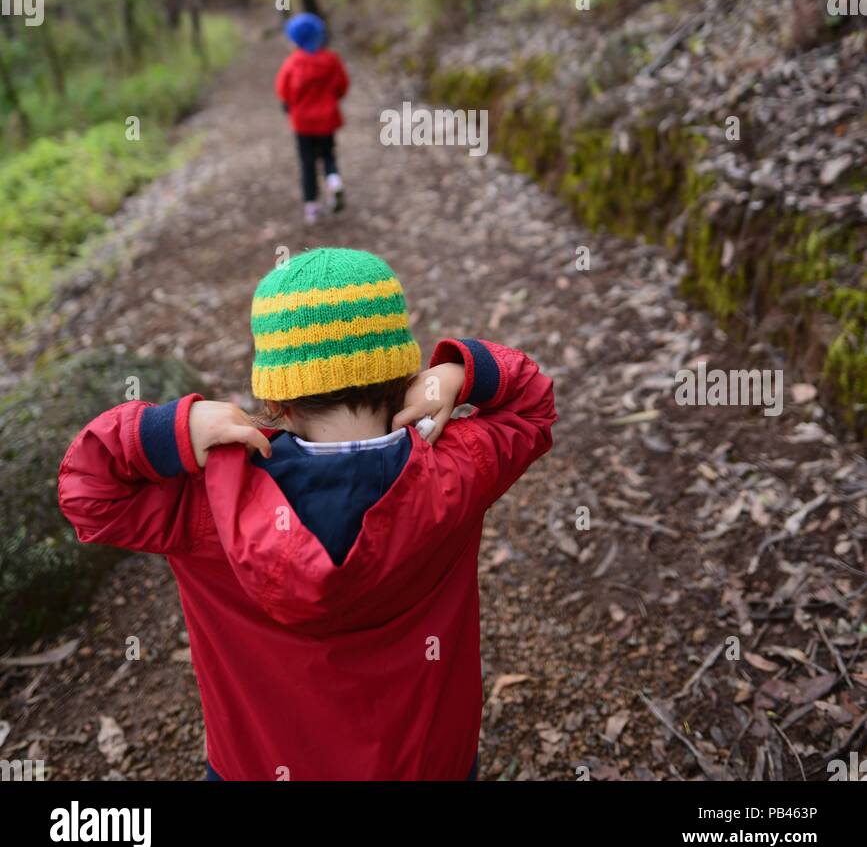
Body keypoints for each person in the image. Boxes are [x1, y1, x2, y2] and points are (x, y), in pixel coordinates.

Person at [58, 247, 556, 782]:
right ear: (403, 379)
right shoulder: (460, 468)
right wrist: (460, 373)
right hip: (429, 764)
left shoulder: (208, 500)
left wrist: (170, 431)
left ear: (276, 402)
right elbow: (531, 406)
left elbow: (88, 490)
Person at [274, 13, 349, 225]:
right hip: (327, 120)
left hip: (303, 124)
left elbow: (282, 90)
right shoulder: (331, 60)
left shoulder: (292, 63)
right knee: (328, 155)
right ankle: (334, 181)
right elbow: (342, 86)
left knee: (307, 164)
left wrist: (290, 105)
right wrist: (332, 100)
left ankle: (312, 207)